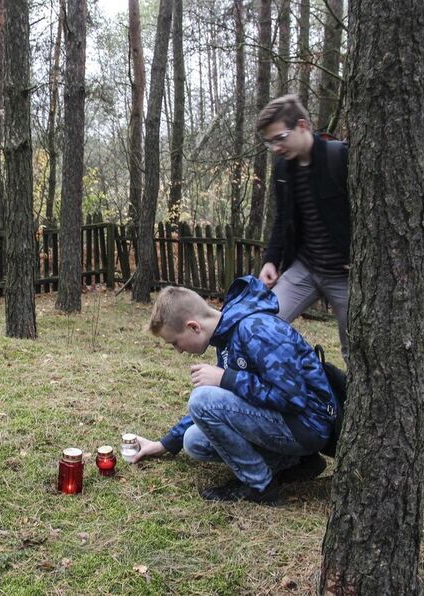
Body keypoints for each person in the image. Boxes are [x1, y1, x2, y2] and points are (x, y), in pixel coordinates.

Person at [130, 278, 338, 505]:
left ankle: (260, 486)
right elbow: (226, 402)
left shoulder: (257, 329)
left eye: (175, 343)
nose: (178, 351)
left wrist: (227, 379)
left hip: (307, 426)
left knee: (202, 399)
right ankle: (296, 462)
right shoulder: (227, 337)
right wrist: (165, 444)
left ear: (193, 327)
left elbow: (293, 397)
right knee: (193, 441)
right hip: (287, 422)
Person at [256, 95, 350, 362]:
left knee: (354, 351)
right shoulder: (284, 168)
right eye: (269, 142)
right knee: (263, 325)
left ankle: (350, 402)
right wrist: (271, 260)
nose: (275, 147)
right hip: (306, 268)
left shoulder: (340, 157)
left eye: (279, 138)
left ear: (302, 126)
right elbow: (282, 219)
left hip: (345, 276)